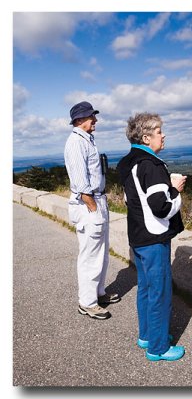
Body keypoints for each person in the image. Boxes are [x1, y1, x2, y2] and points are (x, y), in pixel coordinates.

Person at [117, 112, 187, 361]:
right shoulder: (152, 165)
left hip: (136, 236)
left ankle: (147, 335)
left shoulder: (128, 162)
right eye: (159, 131)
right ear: (146, 138)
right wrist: (175, 190)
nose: (163, 135)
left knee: (146, 289)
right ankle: (158, 348)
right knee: (160, 291)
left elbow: (130, 199)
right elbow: (162, 207)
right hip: (154, 237)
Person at [64, 101, 120, 320]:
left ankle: (98, 293)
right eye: (90, 117)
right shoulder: (76, 142)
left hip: (97, 201)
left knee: (101, 252)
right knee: (90, 256)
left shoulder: (86, 140)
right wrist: (93, 207)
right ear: (79, 120)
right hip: (89, 204)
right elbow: (79, 182)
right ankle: (87, 303)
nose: (94, 120)